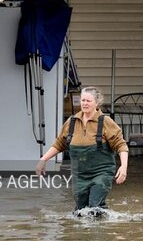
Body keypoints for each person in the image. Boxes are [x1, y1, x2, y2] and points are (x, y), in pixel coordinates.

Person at [36, 86, 128, 215]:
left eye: (88, 101)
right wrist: (43, 160)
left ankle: (99, 232)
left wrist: (123, 167)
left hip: (101, 173)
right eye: (83, 100)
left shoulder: (106, 122)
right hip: (80, 175)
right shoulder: (72, 122)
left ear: (97, 103)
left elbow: (121, 145)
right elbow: (59, 144)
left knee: (94, 207)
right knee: (80, 211)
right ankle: (85, 233)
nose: (84, 103)